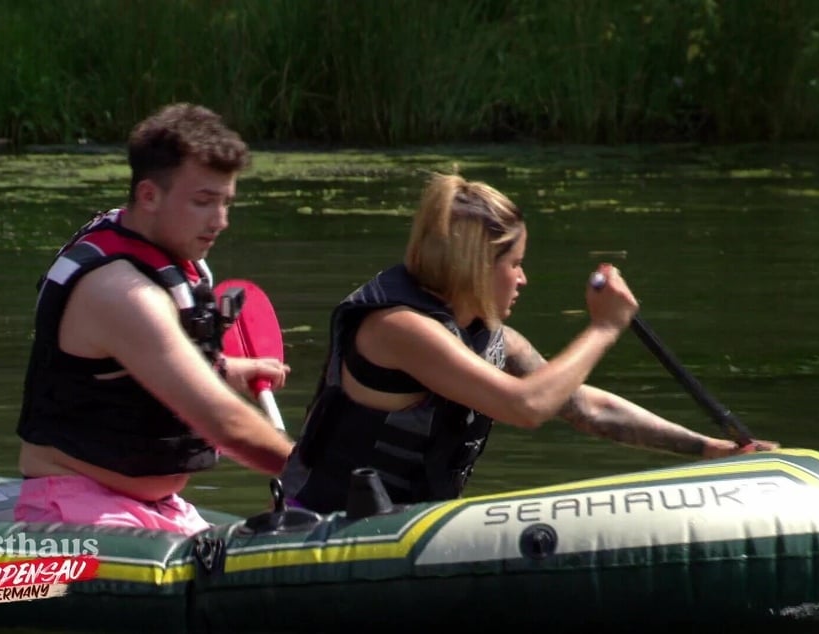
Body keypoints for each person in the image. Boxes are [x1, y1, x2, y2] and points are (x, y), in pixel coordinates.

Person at [280, 172, 777, 514]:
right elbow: (528, 406)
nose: (522, 279)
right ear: (476, 264)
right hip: (325, 531)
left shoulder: (492, 339)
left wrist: (709, 448)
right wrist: (603, 328)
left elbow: (584, 407)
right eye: (513, 263)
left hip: (404, 531)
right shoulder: (398, 330)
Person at [15, 103, 294, 536]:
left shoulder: (162, 250)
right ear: (149, 195)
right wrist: (313, 472)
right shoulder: (124, 292)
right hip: (77, 512)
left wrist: (228, 370)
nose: (220, 221)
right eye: (203, 202)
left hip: (155, 506)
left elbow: (135, 368)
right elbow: (223, 423)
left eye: (225, 202)